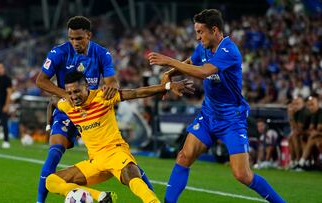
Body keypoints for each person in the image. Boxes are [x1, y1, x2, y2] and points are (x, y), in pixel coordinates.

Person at [148, 9, 285, 203]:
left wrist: (168, 60)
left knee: (242, 175)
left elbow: (204, 72)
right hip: (209, 114)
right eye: (196, 32)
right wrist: (169, 73)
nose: (197, 37)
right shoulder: (203, 47)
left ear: (214, 30)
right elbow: (189, 62)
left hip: (231, 118)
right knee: (183, 157)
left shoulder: (229, 50)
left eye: (200, 32)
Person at [35, 16, 153, 203]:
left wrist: (111, 87)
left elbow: (111, 80)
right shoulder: (58, 52)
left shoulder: (101, 53)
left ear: (88, 35)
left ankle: (150, 195)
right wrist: (65, 95)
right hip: (69, 108)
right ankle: (40, 201)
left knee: (125, 163)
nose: (74, 42)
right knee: (55, 151)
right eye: (71, 38)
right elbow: (40, 80)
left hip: (92, 109)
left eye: (79, 38)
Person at [45, 72, 194, 203]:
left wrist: (167, 86)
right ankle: (102, 197)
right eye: (69, 93)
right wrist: (48, 125)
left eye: (77, 91)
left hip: (115, 153)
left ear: (86, 87)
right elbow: (52, 101)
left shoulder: (103, 96)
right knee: (51, 181)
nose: (73, 96)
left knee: (132, 176)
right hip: (95, 162)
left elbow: (137, 93)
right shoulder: (67, 104)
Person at [0, 62, 12, 148]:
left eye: (0, 68)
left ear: (3, 68)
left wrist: (7, 105)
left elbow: (9, 93)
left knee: (4, 123)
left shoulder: (7, 79)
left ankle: (6, 141)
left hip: (3, 104)